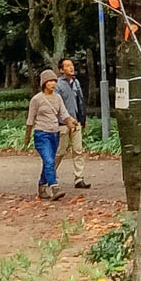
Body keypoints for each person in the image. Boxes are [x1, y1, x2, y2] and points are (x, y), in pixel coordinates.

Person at [26, 69, 70, 201]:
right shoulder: (36, 99)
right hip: (41, 134)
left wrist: (71, 121)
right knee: (49, 160)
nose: (53, 84)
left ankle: (41, 186)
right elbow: (30, 118)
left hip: (54, 134)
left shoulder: (58, 98)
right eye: (50, 81)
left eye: (54, 81)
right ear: (44, 83)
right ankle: (54, 187)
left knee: (49, 162)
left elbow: (63, 113)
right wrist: (27, 136)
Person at [54, 57, 91, 189]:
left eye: (72, 65)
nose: (71, 68)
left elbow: (80, 101)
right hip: (62, 123)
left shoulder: (76, 83)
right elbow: (56, 105)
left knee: (78, 150)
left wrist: (82, 119)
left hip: (76, 122)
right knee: (60, 151)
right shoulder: (57, 85)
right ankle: (50, 176)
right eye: (67, 66)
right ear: (61, 70)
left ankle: (79, 178)